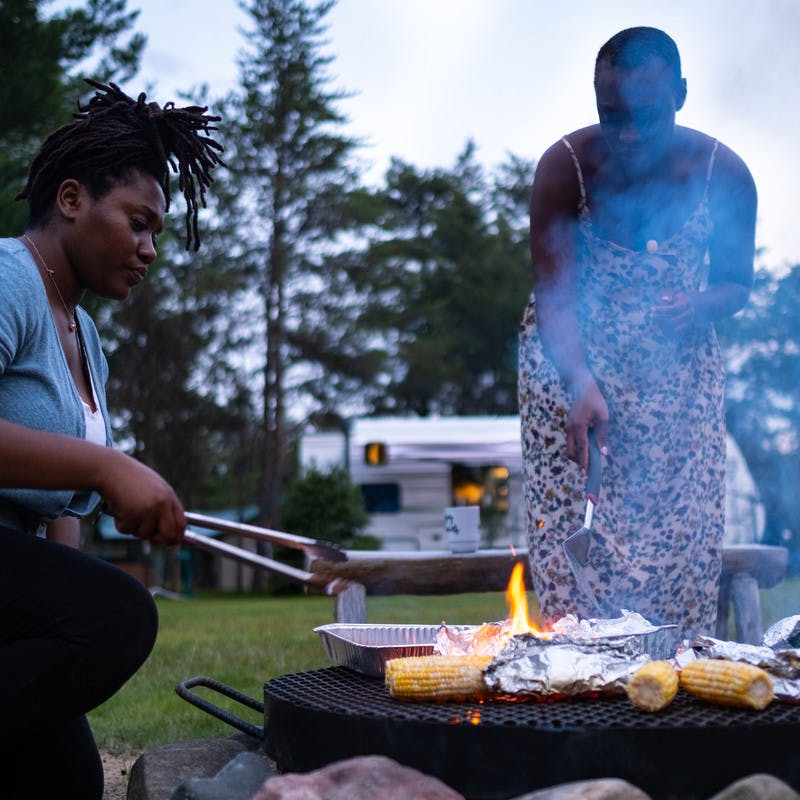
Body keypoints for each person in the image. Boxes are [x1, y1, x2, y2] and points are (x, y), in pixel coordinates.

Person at [0, 80, 224, 798]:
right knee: (124, 615)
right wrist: (105, 465)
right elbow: (85, 473)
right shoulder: (10, 277)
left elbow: (59, 509)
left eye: (157, 231)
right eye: (138, 223)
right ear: (71, 200)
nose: (151, 248)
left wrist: (73, 589)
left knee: (66, 779)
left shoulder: (86, 335)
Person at [518, 27, 756, 640]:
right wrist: (580, 384)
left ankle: (673, 692)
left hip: (678, 384)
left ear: (679, 93)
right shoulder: (563, 169)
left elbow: (736, 285)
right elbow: (554, 297)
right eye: (610, 114)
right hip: (570, 375)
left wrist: (700, 305)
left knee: (679, 552)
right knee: (574, 548)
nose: (625, 134)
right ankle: (573, 688)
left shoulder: (722, 173)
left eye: (643, 117)